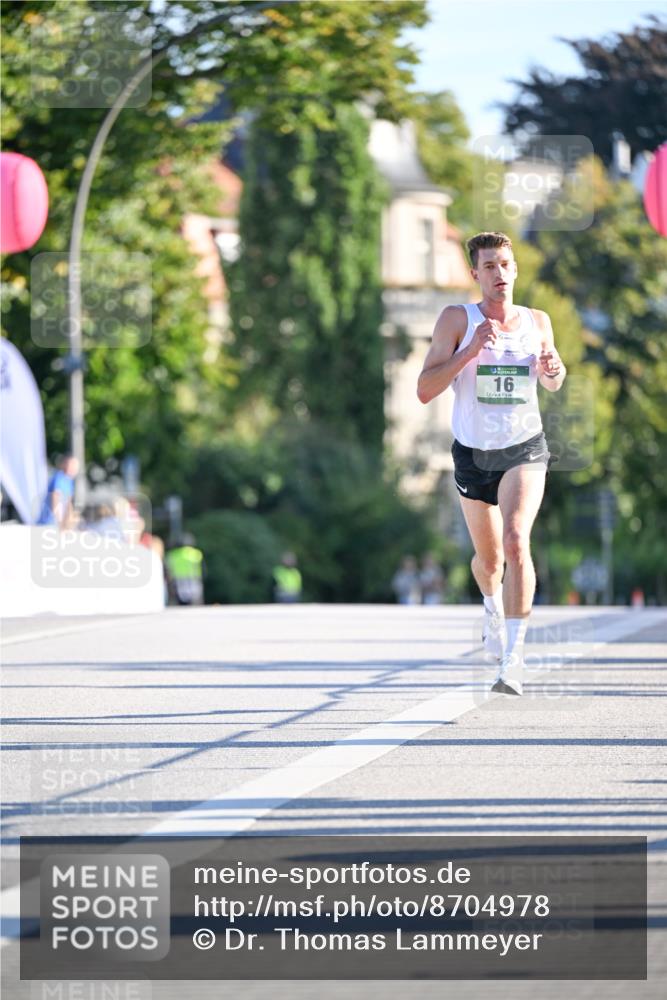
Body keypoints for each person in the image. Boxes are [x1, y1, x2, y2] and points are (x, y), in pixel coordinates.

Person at [417, 232, 566, 695]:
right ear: (475, 274)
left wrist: (554, 369)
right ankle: (491, 606)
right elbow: (424, 390)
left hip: (524, 448)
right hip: (472, 454)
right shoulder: (457, 319)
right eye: (489, 267)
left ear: (515, 268)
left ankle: (514, 660)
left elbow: (552, 382)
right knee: (489, 560)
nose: (499, 274)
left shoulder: (537, 321)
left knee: (516, 538)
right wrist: (468, 352)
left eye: (505, 264)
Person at [38, 454, 79, 529]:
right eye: (72, 465)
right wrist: (59, 521)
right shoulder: (59, 477)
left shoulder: (69, 482)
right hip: (48, 523)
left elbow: (68, 504)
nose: (74, 469)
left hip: (57, 524)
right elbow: (55, 498)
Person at [165, 533, 205, 606]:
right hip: (193, 578)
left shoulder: (172, 555)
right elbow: (201, 567)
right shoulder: (196, 553)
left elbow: (168, 569)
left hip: (178, 580)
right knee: (195, 599)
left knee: (180, 600)